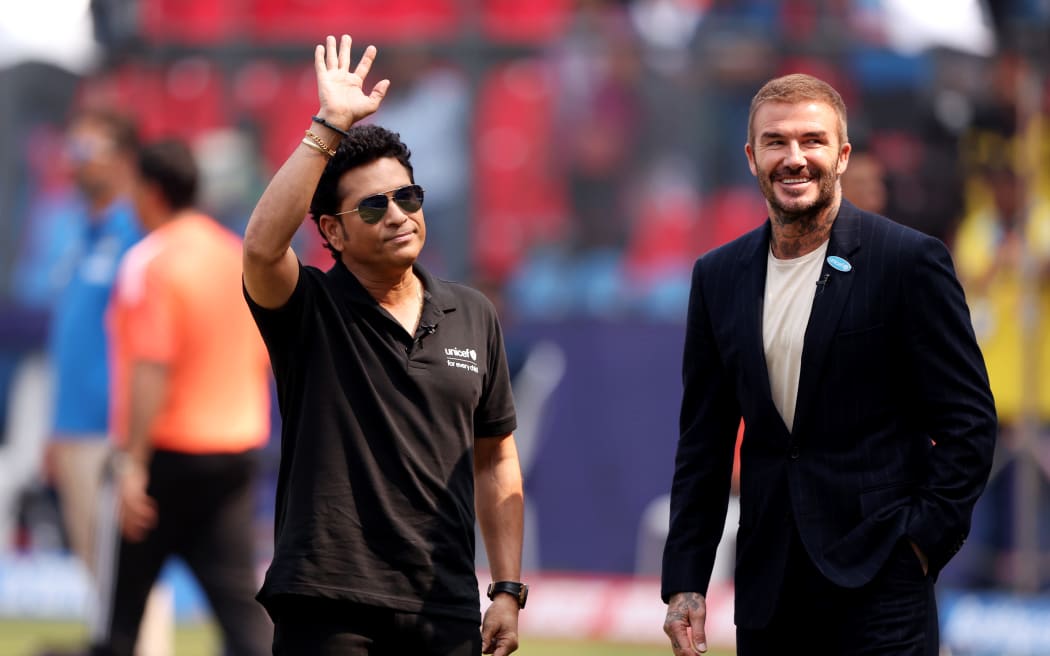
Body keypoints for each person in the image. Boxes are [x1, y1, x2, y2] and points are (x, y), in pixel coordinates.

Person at [660, 73, 997, 655]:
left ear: (842, 155)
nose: (795, 158)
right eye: (776, 142)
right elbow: (704, 446)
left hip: (882, 584)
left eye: (812, 141)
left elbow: (970, 425)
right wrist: (686, 581)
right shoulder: (717, 277)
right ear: (751, 157)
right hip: (769, 590)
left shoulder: (907, 262)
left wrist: (919, 543)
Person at [242, 35, 525, 656]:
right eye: (374, 206)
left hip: (443, 605)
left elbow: (496, 458)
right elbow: (262, 248)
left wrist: (506, 587)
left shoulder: (472, 312)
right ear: (333, 232)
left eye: (409, 197)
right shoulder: (309, 307)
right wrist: (328, 126)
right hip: (327, 603)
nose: (399, 214)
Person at [90, 140, 273, 656]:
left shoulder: (150, 261)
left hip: (167, 456)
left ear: (150, 193)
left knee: (122, 617)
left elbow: (150, 367)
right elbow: (265, 353)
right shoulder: (237, 255)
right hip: (236, 448)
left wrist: (133, 464)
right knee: (239, 608)